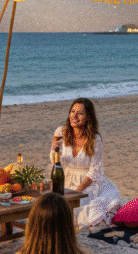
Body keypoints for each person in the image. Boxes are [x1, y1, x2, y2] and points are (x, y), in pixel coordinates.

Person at [50, 98, 121, 229]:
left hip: (88, 182)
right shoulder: (61, 132)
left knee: (84, 210)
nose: (74, 116)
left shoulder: (94, 139)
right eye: (72, 111)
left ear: (88, 117)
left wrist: (77, 192)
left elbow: (95, 171)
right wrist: (55, 149)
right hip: (66, 179)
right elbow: (55, 162)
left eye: (80, 113)